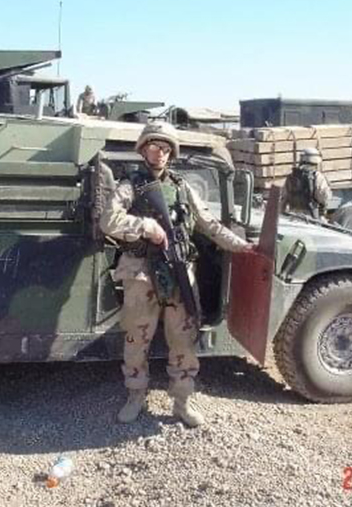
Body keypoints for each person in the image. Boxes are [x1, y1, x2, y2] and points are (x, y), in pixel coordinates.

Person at [100, 122, 254, 427]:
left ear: (172, 153)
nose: (160, 153)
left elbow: (210, 225)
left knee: (183, 340)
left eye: (166, 148)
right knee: (136, 340)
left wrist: (242, 247)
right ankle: (135, 395)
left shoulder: (184, 188)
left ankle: (182, 401)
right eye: (154, 147)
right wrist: (146, 227)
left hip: (179, 272)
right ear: (143, 150)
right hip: (143, 274)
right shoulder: (129, 187)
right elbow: (108, 221)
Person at [280, 147, 332, 219]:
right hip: (311, 217)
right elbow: (324, 197)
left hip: (293, 215)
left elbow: (284, 198)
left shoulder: (292, 176)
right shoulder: (317, 176)